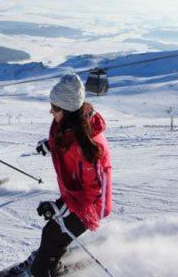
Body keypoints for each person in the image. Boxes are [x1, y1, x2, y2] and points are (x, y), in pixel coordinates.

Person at [19, 73, 113, 277]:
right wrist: (50, 145)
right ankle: (54, 255)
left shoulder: (89, 146)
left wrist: (62, 208)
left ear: (68, 110)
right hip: (76, 194)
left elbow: (96, 191)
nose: (50, 111)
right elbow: (65, 140)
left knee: (52, 234)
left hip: (92, 203)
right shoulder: (70, 125)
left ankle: (42, 271)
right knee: (54, 232)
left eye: (55, 108)